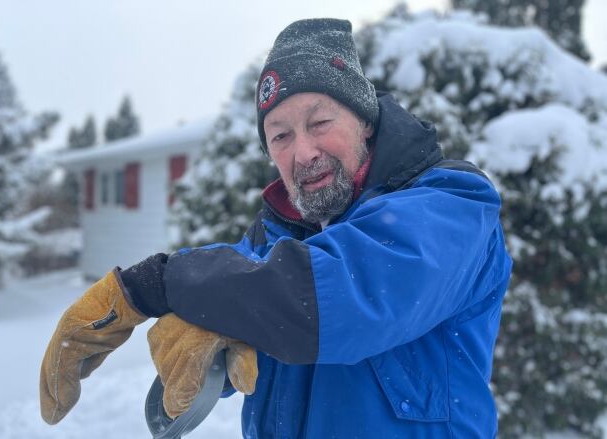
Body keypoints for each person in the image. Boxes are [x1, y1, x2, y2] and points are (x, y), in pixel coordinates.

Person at [39, 18, 513, 438]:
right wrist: (208, 336)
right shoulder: (274, 239)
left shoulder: (452, 205)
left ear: (365, 122)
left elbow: (323, 299)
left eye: (320, 122)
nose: (302, 152)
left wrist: (153, 285)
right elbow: (252, 292)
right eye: (281, 136)